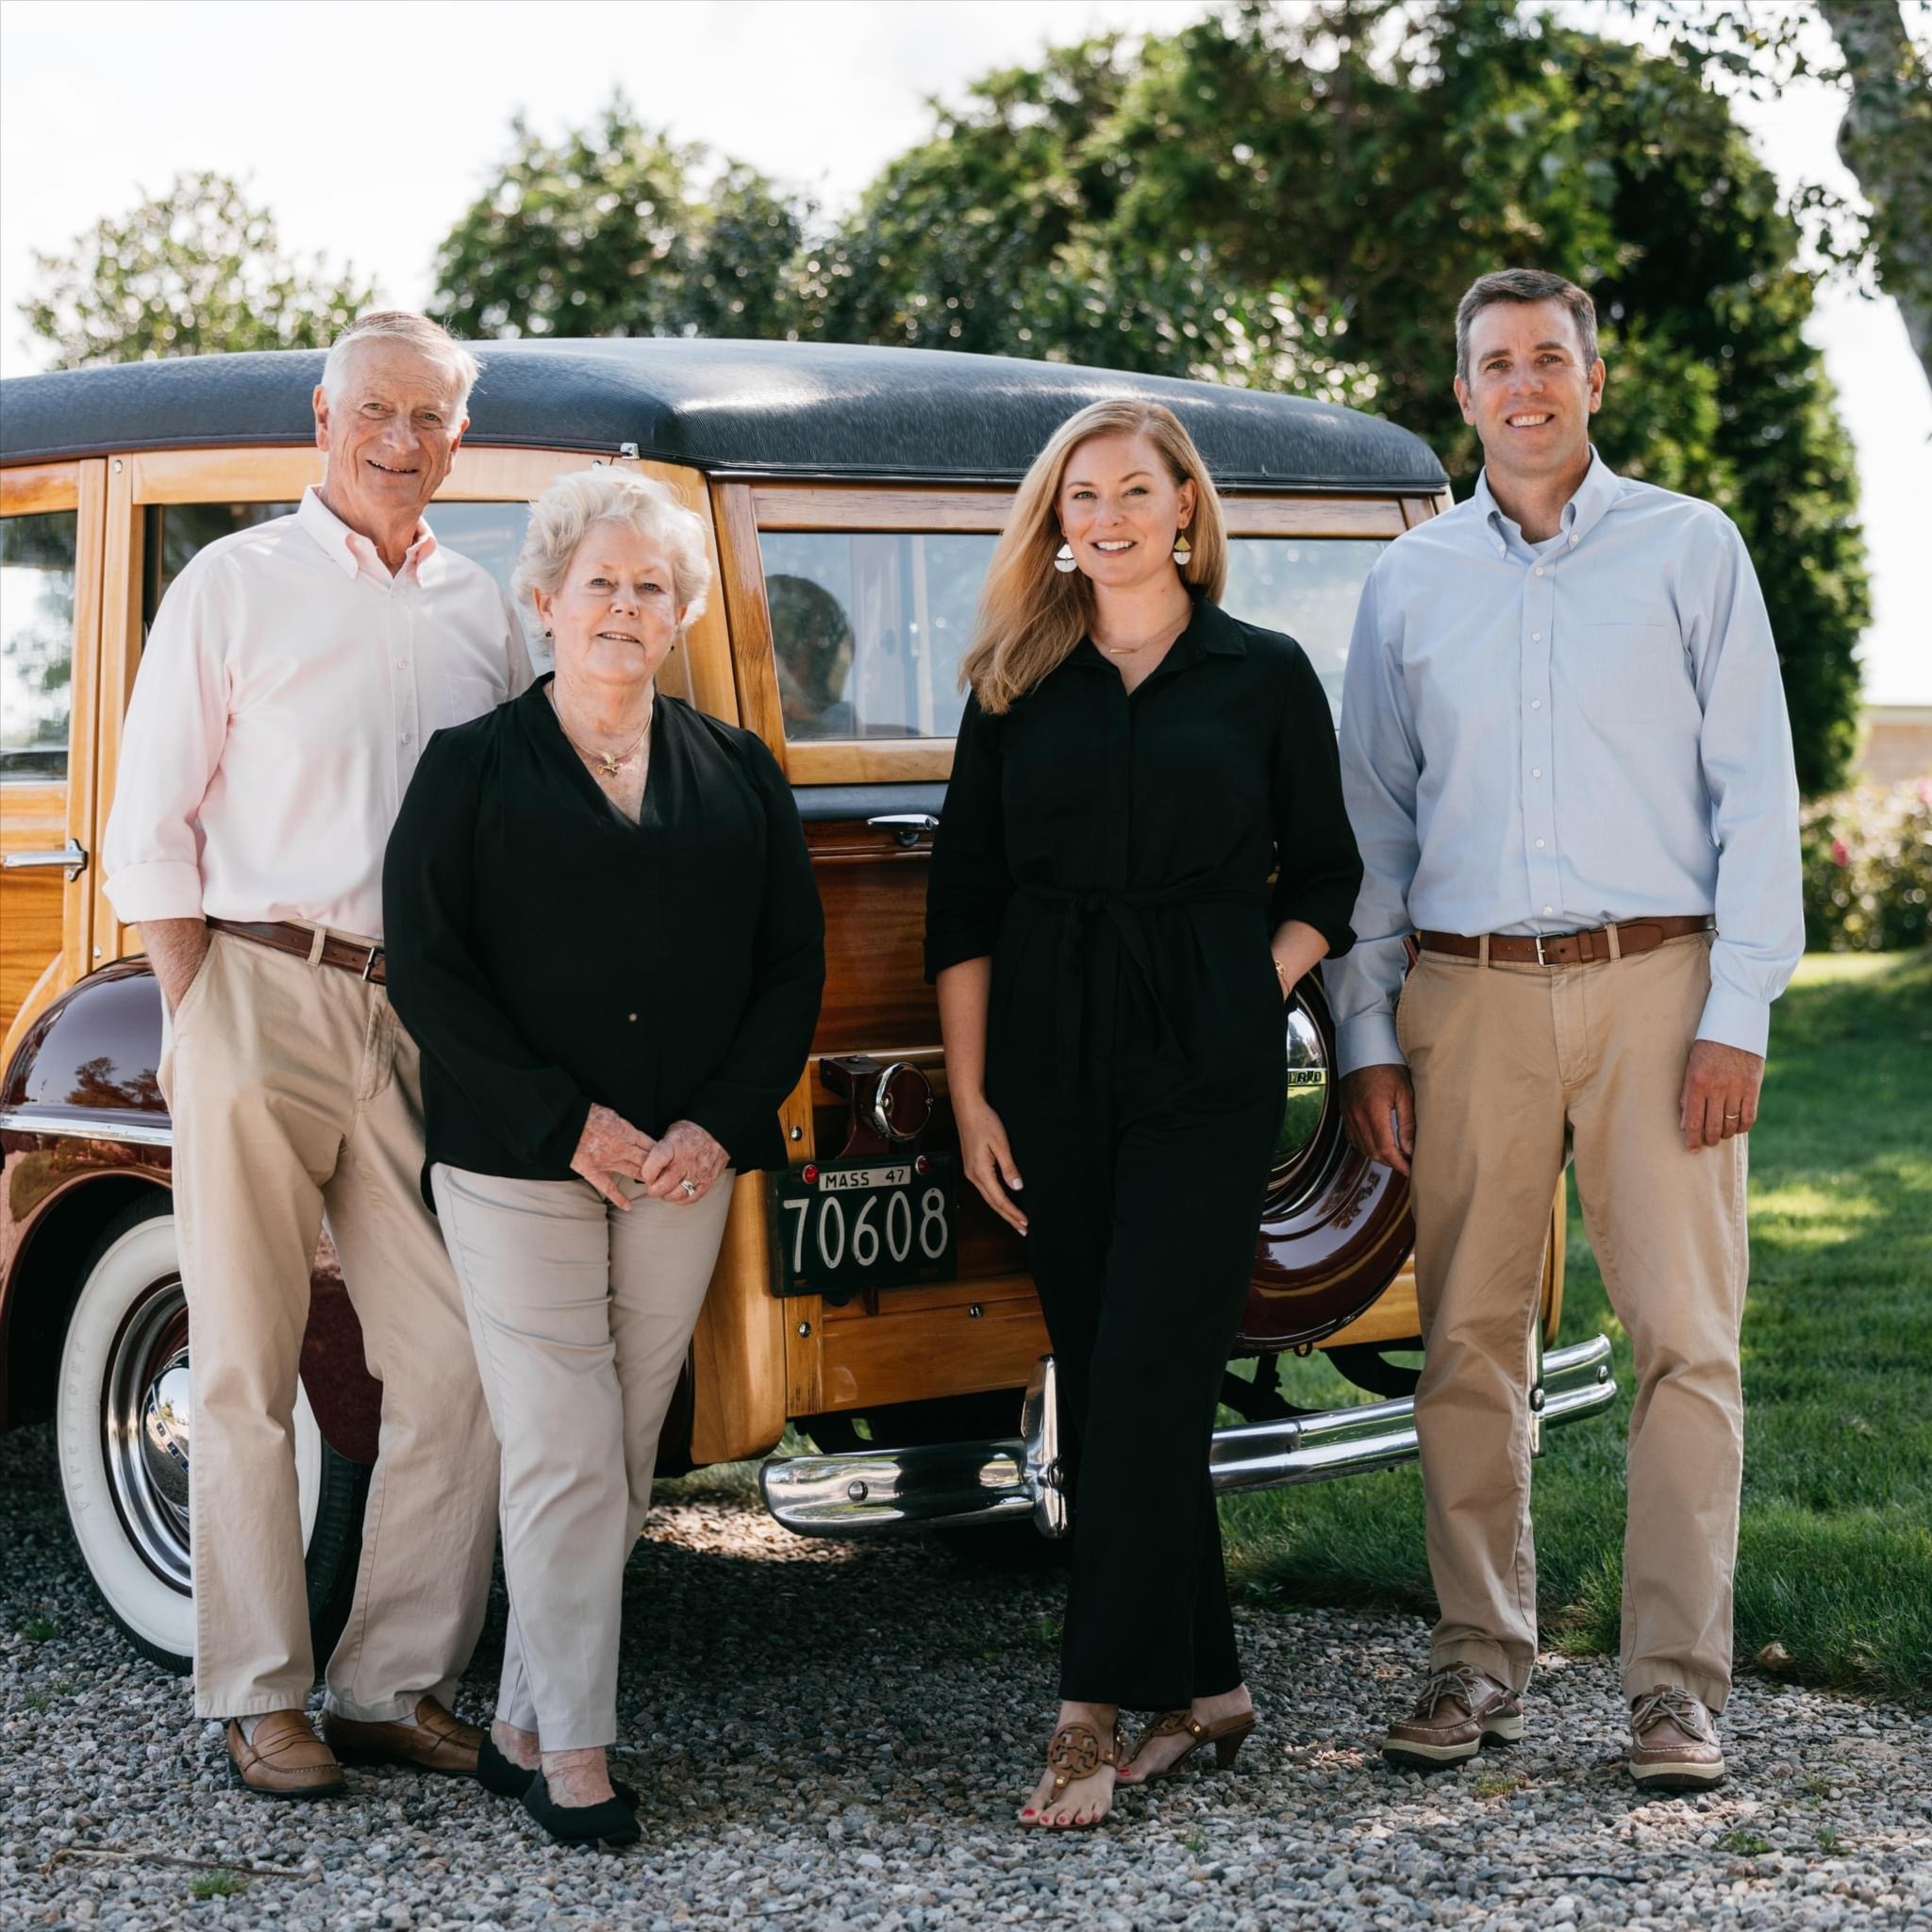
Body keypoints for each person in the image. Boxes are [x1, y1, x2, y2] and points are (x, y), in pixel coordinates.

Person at [1325, 268, 1802, 1790]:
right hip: (1462, 995)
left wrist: (1737, 1013)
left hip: (1661, 987)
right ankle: (1478, 1658)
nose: (1523, 384)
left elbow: (1756, 796)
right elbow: (1373, 829)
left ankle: (1675, 1687)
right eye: (1493, 363)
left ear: (1595, 379)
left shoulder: (1690, 548)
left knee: (1686, 1343)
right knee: (1468, 1338)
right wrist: (1368, 1036)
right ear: (1458, 395)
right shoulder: (1409, 585)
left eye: (1550, 358)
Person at [102, 311, 530, 1797]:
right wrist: (197, 1014)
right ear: (324, 415)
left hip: (420, 1013)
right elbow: (148, 821)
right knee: (241, 1360)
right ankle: (257, 1694)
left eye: (432, 418)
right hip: (254, 985)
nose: (402, 442)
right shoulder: (235, 583)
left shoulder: (485, 606)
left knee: (460, 1360)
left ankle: (388, 1682)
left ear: (460, 437)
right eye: (377, 412)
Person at [924, 399, 1362, 1830]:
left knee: (1152, 1374)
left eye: (1132, 489)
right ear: (1056, 526)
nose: (1105, 517)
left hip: (1203, 1070)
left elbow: (1330, 882)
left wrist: (1249, 984)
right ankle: (1209, 1687)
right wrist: (974, 1089)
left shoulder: (1263, 673)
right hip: (1049, 1064)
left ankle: (1086, 1716)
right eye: (1080, 497)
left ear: (1186, 505)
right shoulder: (1010, 681)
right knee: (1111, 1373)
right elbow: (966, 906)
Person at [382, 466, 824, 1847]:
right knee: (567, 1443)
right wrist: (567, 1123)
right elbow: (430, 977)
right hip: (523, 1163)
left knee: (622, 1448)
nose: (627, 608)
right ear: (545, 602)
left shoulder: (737, 769)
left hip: (683, 1169)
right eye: (602, 585)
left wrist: (714, 1123)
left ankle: (520, 1715)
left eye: (652, 587)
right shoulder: (469, 768)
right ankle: (575, 1752)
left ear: (681, 609)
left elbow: (787, 970)